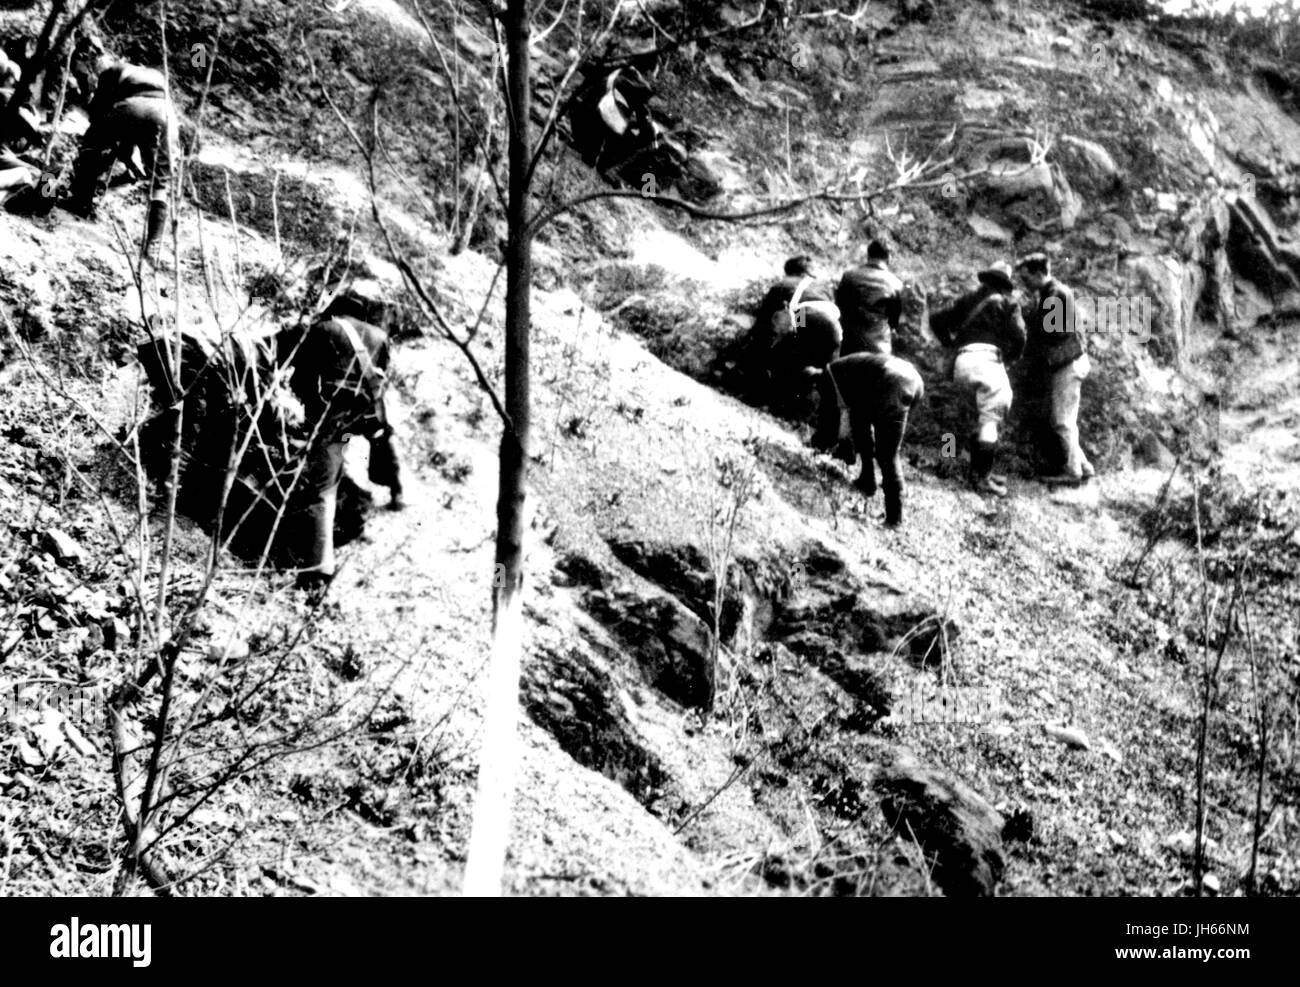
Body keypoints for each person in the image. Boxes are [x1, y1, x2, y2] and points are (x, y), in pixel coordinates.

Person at [279, 286, 404, 589]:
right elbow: (385, 378)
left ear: (334, 309)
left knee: (323, 487)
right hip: (367, 412)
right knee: (382, 437)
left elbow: (293, 367)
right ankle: (399, 490)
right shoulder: (378, 336)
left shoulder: (322, 329)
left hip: (334, 417)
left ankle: (319, 569)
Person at [63, 42, 177, 259]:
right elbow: (138, 128)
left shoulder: (112, 70)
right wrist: (124, 149)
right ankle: (154, 243)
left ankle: (81, 202)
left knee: (92, 141)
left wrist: (105, 142)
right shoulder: (150, 73)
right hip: (166, 115)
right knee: (161, 182)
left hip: (133, 107)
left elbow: (97, 113)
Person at [929, 261, 1025, 496]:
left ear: (987, 279)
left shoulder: (968, 299)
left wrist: (950, 343)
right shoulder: (1009, 302)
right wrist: (1010, 358)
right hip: (988, 361)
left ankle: (948, 462)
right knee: (989, 419)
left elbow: (936, 320)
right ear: (1005, 284)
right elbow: (1020, 336)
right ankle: (981, 477)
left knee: (956, 418)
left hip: (961, 362)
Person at [809, 352, 924, 526]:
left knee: (887, 454)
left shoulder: (829, 378)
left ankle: (895, 519)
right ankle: (867, 480)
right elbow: (856, 418)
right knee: (862, 424)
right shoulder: (843, 369)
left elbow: (832, 418)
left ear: (814, 383)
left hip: (893, 382)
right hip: (911, 380)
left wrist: (818, 444)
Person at [1016, 252, 1094, 486]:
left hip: (1067, 363)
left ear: (1040, 273)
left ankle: (1072, 472)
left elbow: (1056, 332)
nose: (1025, 284)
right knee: (1065, 418)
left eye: (1027, 278)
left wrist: (1030, 326)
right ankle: (1083, 465)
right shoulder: (1054, 293)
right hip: (1071, 361)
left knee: (1062, 420)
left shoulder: (1055, 294)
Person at [756, 256, 841, 416]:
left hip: (805, 315)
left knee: (789, 355)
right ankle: (814, 419)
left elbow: (764, 320)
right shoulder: (823, 285)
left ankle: (781, 407)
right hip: (834, 326)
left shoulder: (784, 284)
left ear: (790, 271)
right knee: (828, 374)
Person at [836, 239, 904, 357]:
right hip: (878, 349)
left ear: (868, 255)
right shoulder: (896, 284)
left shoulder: (849, 276)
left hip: (849, 345)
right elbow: (894, 322)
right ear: (889, 257)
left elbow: (839, 307)